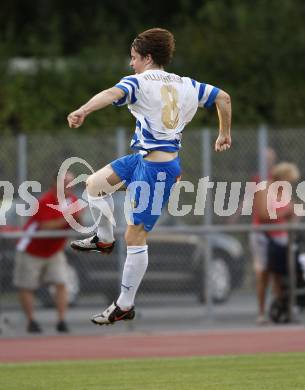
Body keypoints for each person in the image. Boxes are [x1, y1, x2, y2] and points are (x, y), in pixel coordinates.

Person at [67, 28, 231, 325]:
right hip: (144, 159)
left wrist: (83, 110)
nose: (131, 64)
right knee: (94, 185)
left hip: (156, 169)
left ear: (147, 57)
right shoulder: (186, 84)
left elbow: (111, 93)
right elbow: (224, 98)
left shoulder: (139, 82)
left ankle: (124, 305)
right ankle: (103, 239)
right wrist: (224, 134)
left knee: (135, 235)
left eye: (133, 58)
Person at [13, 171, 81, 333]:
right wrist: (67, 218)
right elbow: (45, 227)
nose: (67, 185)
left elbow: (76, 221)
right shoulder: (45, 201)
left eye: (70, 181)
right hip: (32, 249)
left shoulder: (73, 200)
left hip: (54, 251)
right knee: (27, 285)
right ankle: (31, 321)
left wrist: (77, 219)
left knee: (61, 282)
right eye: (64, 181)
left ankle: (61, 321)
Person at [253, 162, 300, 324]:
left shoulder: (284, 192)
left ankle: (283, 307)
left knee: (280, 274)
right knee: (263, 274)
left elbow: (289, 215)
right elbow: (263, 214)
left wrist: (295, 214)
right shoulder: (265, 189)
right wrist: (285, 211)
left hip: (281, 237)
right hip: (263, 237)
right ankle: (261, 312)